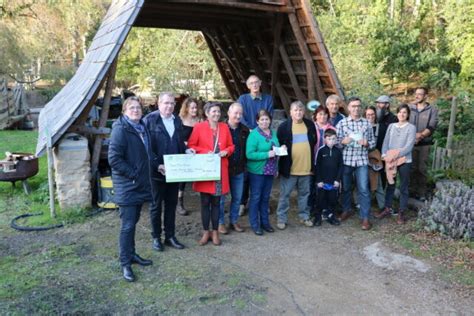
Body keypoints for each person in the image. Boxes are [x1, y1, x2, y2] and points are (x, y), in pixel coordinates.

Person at [108, 96, 153, 282]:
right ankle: (125, 263)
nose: (136, 110)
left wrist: (155, 165)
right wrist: (134, 174)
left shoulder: (141, 127)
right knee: (127, 226)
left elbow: (146, 155)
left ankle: (132, 254)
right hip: (128, 186)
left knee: (133, 222)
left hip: (139, 184)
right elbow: (114, 159)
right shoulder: (121, 130)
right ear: (124, 111)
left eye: (138, 107)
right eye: (131, 108)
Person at [144, 92, 188, 252]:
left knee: (171, 204)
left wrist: (187, 151)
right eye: (166, 103)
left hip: (174, 171)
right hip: (156, 173)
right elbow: (146, 148)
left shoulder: (176, 120)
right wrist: (157, 165)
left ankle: (170, 236)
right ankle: (156, 237)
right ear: (159, 103)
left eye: (172, 103)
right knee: (156, 206)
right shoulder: (149, 120)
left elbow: (179, 142)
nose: (169, 106)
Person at [188, 102, 235, 245]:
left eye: (218, 112)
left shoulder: (224, 127)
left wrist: (226, 151)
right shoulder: (199, 127)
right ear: (207, 113)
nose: (216, 114)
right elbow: (191, 145)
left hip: (219, 171)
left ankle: (215, 233)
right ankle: (205, 232)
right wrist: (204, 152)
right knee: (204, 203)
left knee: (216, 203)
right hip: (204, 170)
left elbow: (231, 146)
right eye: (213, 111)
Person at [336, 97, 375, 230]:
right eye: (353, 106)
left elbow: (373, 143)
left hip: (362, 161)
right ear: (348, 107)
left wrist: (367, 143)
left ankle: (365, 218)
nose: (356, 108)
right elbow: (334, 142)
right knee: (346, 188)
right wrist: (342, 142)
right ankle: (347, 210)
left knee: (363, 189)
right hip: (346, 160)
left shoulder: (367, 123)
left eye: (358, 106)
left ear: (361, 107)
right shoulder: (342, 123)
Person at [276, 100, 316, 230]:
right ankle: (281, 218)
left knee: (304, 195)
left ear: (304, 112)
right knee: (284, 195)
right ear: (291, 112)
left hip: (306, 169)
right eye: (295, 110)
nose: (298, 112)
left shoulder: (309, 125)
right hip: (290, 170)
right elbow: (278, 146)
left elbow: (313, 143)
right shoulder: (284, 127)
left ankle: (304, 216)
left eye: (300, 110)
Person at [237, 75, 274, 216]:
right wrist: (251, 130)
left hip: (264, 137)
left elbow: (268, 117)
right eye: (251, 83)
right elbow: (241, 117)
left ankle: (263, 202)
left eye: (256, 82)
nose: (254, 85)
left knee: (263, 170)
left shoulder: (268, 99)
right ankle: (242, 202)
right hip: (247, 137)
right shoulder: (243, 99)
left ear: (261, 83)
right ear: (248, 86)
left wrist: (259, 130)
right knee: (246, 172)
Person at [377, 104, 416, 224]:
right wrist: (384, 154)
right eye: (400, 112)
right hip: (390, 160)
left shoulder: (411, 128)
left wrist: (394, 154)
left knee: (403, 186)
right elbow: (386, 141)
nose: (402, 114)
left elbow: (409, 146)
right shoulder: (392, 126)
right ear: (397, 113)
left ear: (408, 114)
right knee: (390, 184)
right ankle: (387, 208)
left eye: (404, 112)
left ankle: (401, 212)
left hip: (404, 160)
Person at [246, 109, 282, 235]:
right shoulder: (254, 135)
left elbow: (275, 148)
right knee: (256, 197)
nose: (265, 121)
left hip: (270, 170)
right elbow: (249, 154)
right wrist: (267, 154)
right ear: (257, 121)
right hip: (257, 171)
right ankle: (255, 224)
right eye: (262, 119)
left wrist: (281, 149)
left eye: (267, 119)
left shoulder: (273, 132)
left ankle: (265, 223)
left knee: (266, 198)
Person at [218, 103, 249, 234]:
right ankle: (220, 223)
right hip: (223, 169)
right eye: (235, 113)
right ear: (229, 113)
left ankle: (234, 220)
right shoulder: (221, 128)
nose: (238, 116)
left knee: (237, 197)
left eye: (240, 114)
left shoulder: (244, 130)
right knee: (221, 198)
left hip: (239, 169)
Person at [409, 87, 439, 201]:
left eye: (420, 94)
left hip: (424, 144)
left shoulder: (432, 110)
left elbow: (432, 126)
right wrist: (412, 137)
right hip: (410, 143)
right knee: (411, 168)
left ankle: (421, 193)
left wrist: (420, 136)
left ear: (426, 96)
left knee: (422, 169)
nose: (417, 96)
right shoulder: (410, 108)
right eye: (416, 94)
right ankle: (411, 191)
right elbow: (404, 121)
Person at [309, 106, 336, 221]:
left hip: (327, 163)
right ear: (315, 116)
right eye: (320, 114)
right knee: (312, 185)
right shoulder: (310, 127)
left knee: (325, 186)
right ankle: (312, 209)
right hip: (312, 160)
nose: (322, 116)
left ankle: (325, 209)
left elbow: (336, 144)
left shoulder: (332, 129)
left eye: (325, 114)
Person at [177, 97, 202, 216]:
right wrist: (185, 145)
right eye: (192, 107)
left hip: (197, 151)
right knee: (182, 179)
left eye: (196, 107)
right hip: (183, 151)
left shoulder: (200, 120)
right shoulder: (179, 120)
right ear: (186, 108)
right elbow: (176, 138)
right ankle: (179, 202)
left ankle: (205, 201)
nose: (194, 109)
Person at [314, 129, 343, 226]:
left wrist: (337, 180)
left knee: (332, 200)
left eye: (334, 139)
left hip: (333, 182)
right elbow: (317, 166)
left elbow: (340, 167)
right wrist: (319, 180)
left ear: (336, 140)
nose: (331, 141)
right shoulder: (321, 150)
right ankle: (318, 217)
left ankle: (331, 216)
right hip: (322, 182)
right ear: (325, 139)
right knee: (320, 200)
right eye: (329, 139)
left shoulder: (338, 152)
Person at [365, 106, 385, 212]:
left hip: (374, 158)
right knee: (362, 182)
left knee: (377, 182)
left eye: (372, 114)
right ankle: (360, 204)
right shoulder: (362, 126)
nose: (370, 116)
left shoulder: (380, 128)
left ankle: (382, 206)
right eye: (368, 114)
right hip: (362, 157)